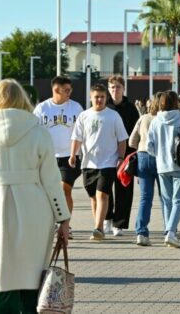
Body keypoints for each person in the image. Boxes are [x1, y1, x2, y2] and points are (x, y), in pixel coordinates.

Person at [0, 80, 70, 313]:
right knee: (32, 277)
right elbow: (52, 180)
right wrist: (63, 218)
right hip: (35, 212)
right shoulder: (38, 131)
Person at [70, 83, 129, 240]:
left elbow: (122, 139)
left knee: (102, 194)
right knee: (93, 197)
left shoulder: (113, 116)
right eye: (96, 97)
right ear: (91, 97)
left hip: (108, 162)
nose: (99, 100)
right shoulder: (84, 116)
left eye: (102, 97)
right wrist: (73, 155)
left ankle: (98, 228)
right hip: (88, 163)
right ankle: (100, 226)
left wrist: (121, 158)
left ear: (106, 98)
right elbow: (77, 137)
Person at [33, 76, 84, 239]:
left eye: (70, 90)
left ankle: (65, 225)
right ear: (56, 90)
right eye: (66, 90)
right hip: (48, 157)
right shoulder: (42, 108)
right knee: (48, 192)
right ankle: (51, 223)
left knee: (64, 189)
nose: (69, 93)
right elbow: (35, 132)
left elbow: (83, 132)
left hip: (70, 156)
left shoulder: (76, 108)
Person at [147, 91, 180, 249]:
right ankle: (170, 232)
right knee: (178, 201)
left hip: (162, 166)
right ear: (176, 102)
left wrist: (160, 155)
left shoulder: (156, 121)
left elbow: (149, 146)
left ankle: (170, 232)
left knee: (167, 201)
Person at [105, 75, 140, 236]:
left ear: (123, 88)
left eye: (118, 87)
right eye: (112, 87)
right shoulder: (104, 106)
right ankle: (107, 218)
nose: (115, 90)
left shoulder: (131, 108)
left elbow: (136, 133)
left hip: (126, 154)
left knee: (124, 189)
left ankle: (119, 223)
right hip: (106, 153)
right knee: (105, 187)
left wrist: (134, 155)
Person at [129, 93, 161, 246]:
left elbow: (131, 141)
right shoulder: (164, 119)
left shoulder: (144, 118)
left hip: (143, 156)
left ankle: (141, 232)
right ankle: (170, 230)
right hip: (161, 158)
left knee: (145, 197)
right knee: (166, 198)